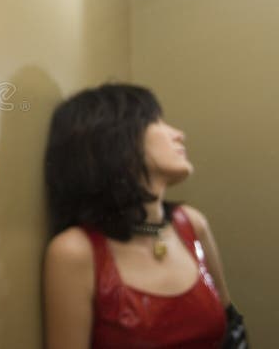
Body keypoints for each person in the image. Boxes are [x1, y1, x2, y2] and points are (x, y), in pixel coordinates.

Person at [42, 83, 245, 349]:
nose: (178, 134)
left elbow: (234, 332)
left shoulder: (192, 224)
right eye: (155, 121)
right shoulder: (74, 252)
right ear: (114, 142)